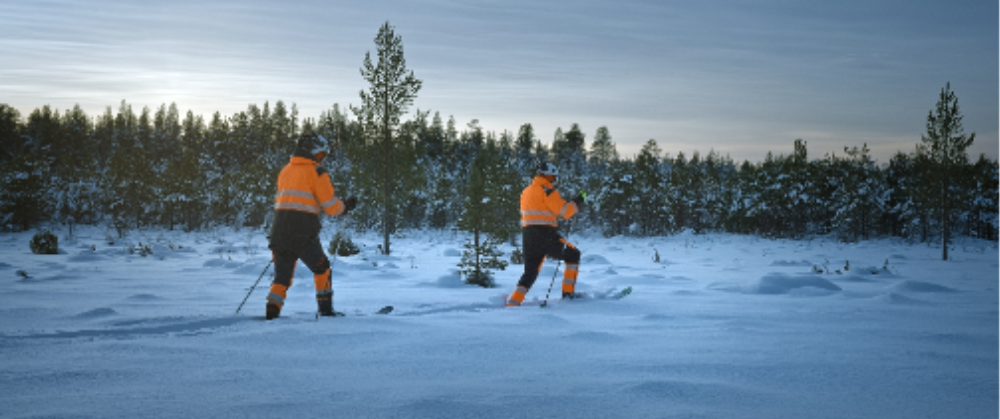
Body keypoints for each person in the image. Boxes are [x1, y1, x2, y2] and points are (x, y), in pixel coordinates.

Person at [266, 133, 357, 320]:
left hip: (279, 231)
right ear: (313, 152)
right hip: (303, 233)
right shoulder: (317, 172)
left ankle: (271, 312)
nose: (323, 159)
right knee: (322, 267)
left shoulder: (286, 170)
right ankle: (326, 311)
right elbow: (331, 207)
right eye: (322, 154)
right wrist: (346, 207)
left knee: (282, 276)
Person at [506, 162, 586, 307]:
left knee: (530, 273)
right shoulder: (548, 191)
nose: (555, 180)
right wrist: (578, 201)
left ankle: (513, 303)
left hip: (528, 235)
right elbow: (566, 212)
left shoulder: (527, 191)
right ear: (547, 175)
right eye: (554, 177)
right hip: (545, 234)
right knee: (573, 254)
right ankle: (568, 294)